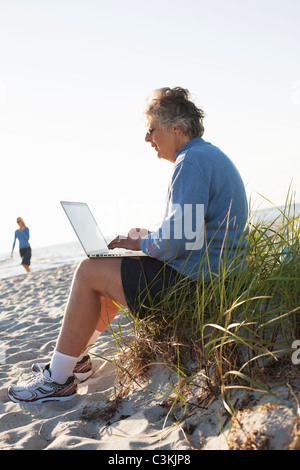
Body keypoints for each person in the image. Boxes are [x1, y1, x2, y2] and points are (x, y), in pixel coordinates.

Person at [8, 87, 249, 404]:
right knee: (111, 271)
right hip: (213, 283)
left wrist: (145, 241)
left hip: (196, 290)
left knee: (89, 271)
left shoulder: (190, 163)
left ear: (176, 126)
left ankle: (56, 380)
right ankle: (75, 360)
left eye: (152, 129)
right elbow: (191, 235)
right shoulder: (206, 157)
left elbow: (177, 242)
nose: (148, 139)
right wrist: (147, 238)